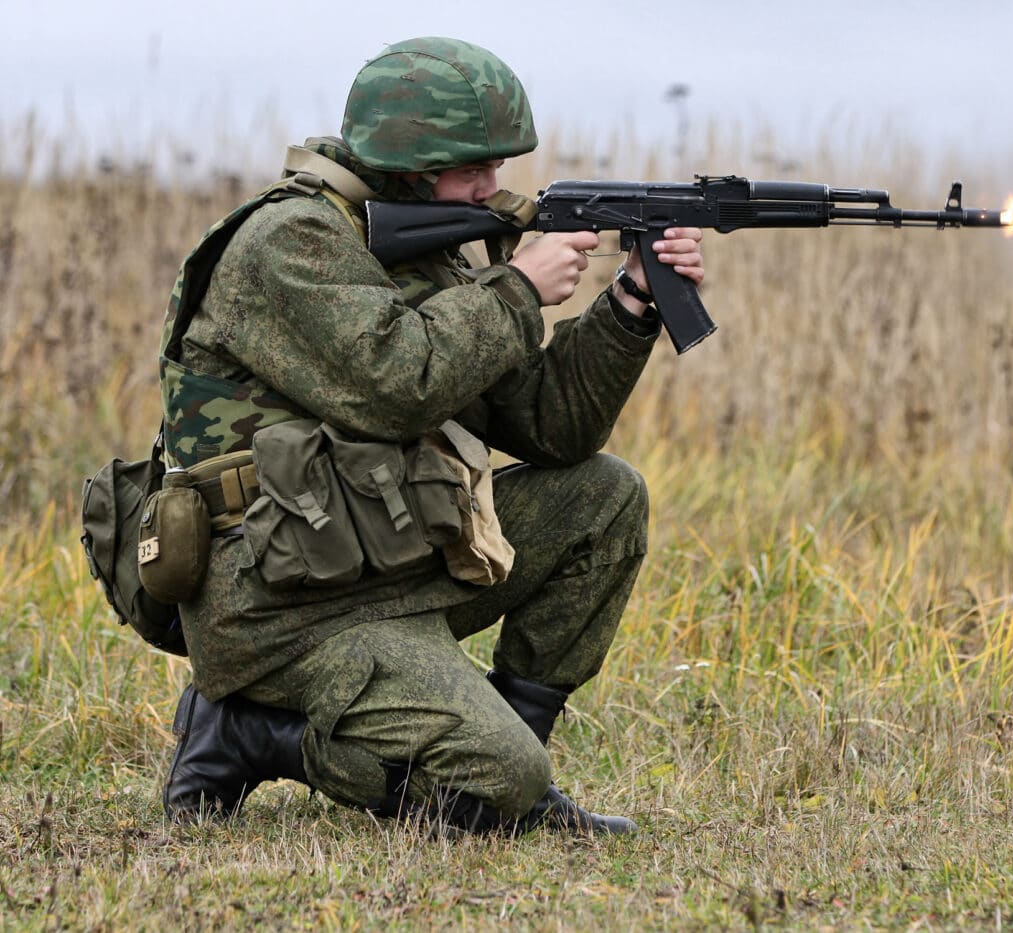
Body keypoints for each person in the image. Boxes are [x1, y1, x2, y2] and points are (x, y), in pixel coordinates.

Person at [159, 36, 705, 835]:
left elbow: (552, 428)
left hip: (390, 552)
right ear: (405, 163)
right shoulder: (289, 244)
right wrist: (518, 288)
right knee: (497, 775)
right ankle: (243, 730)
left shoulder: (431, 253)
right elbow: (395, 383)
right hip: (284, 599)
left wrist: (630, 302)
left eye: (498, 164)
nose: (493, 185)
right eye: (471, 167)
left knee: (604, 496)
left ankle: (522, 790)